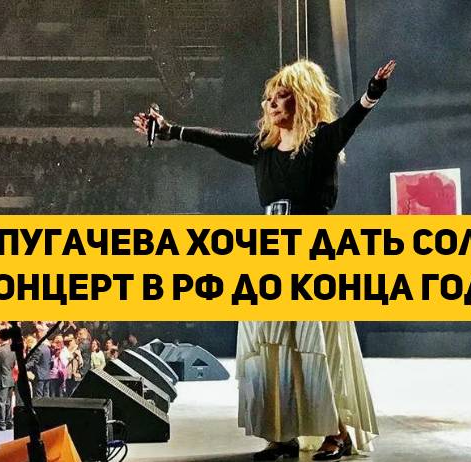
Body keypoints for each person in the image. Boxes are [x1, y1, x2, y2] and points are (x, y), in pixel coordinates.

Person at [133, 58, 396, 461]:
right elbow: (217, 139)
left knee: (312, 342)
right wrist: (171, 130)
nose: (271, 104)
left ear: (302, 99)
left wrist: (372, 92)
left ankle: (335, 432)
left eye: (281, 96)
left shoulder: (321, 141)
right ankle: (281, 433)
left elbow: (351, 121)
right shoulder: (263, 149)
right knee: (272, 345)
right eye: (268, 98)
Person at [0, 339, 15, 431]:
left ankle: (1, 423)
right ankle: (8, 421)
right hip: (10, 377)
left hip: (1, 378)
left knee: (0, 402)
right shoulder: (13, 349)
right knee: (8, 402)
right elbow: (13, 364)